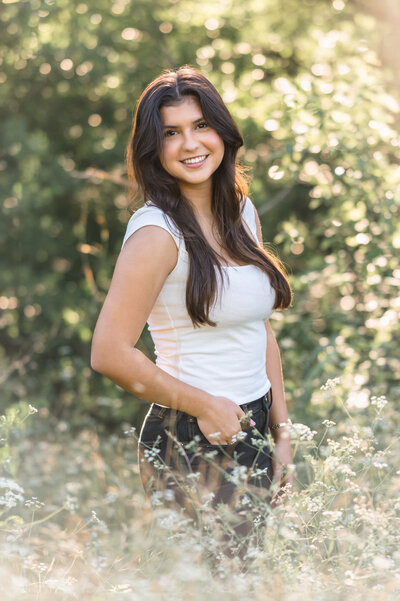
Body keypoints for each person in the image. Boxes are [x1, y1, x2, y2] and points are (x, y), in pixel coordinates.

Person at [91, 65, 294, 561]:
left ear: (222, 130)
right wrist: (206, 406)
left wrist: (281, 432)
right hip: (189, 433)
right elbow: (109, 353)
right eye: (171, 133)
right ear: (152, 148)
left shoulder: (240, 211)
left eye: (201, 125)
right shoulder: (157, 234)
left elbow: (257, 328)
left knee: (242, 581)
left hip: (252, 420)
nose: (190, 144)